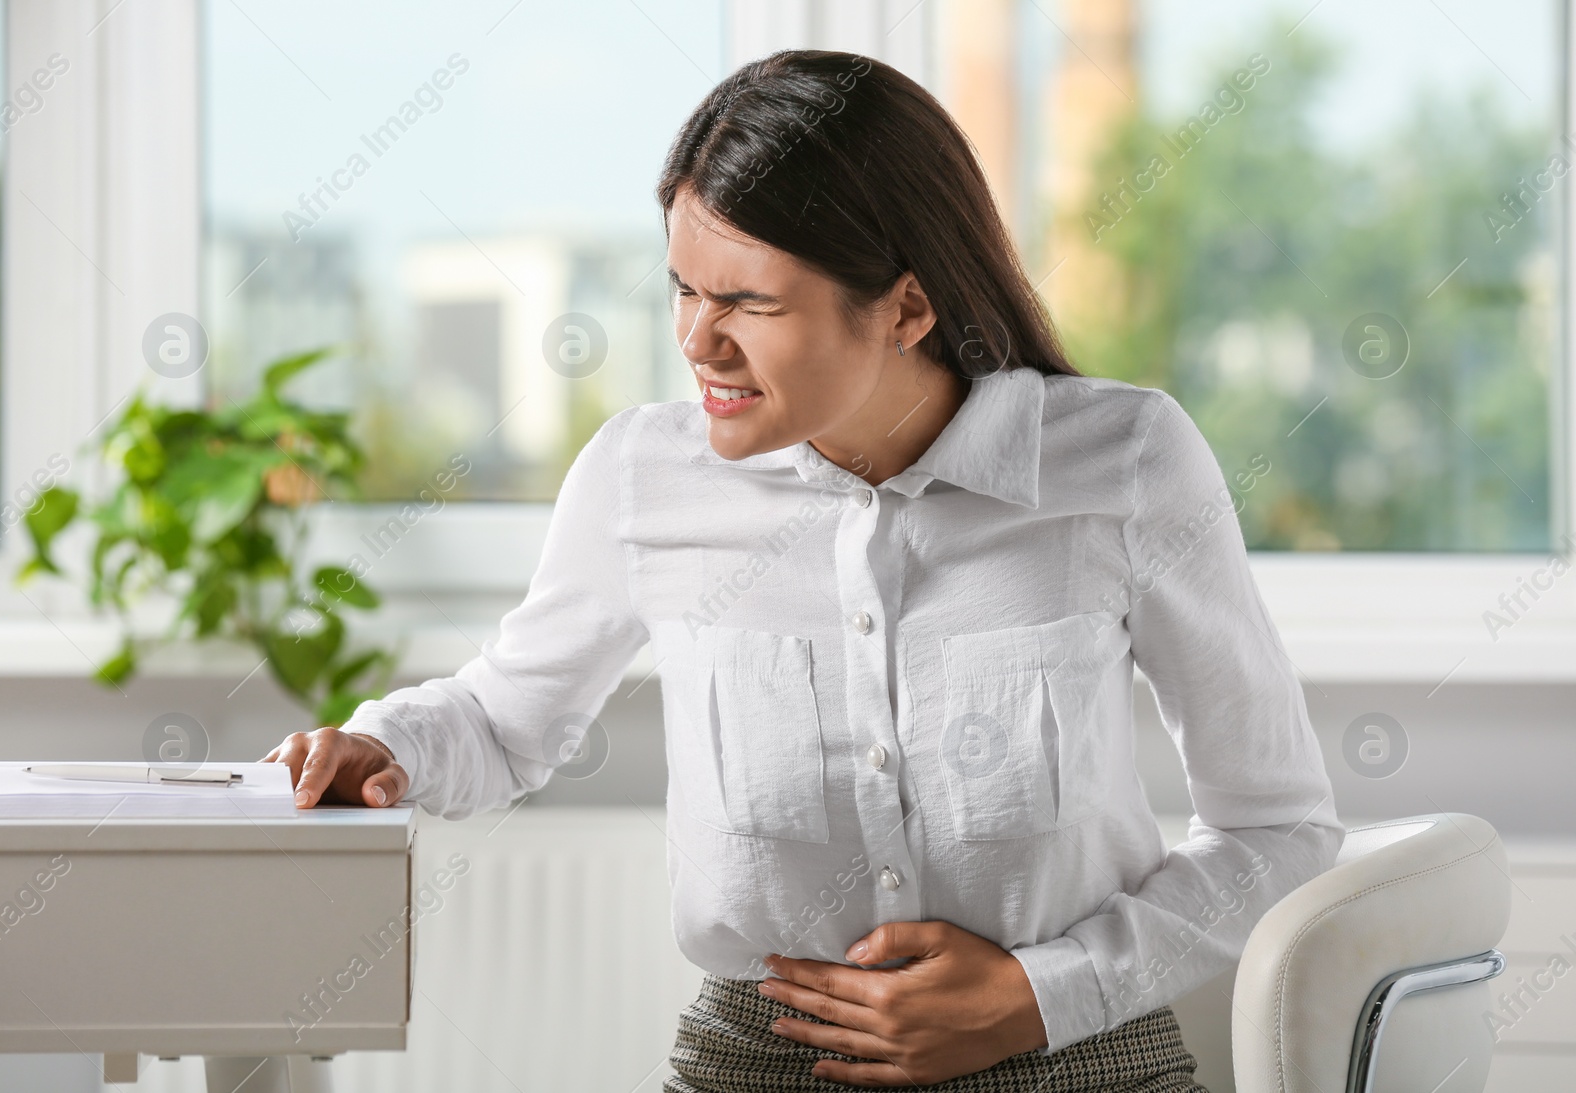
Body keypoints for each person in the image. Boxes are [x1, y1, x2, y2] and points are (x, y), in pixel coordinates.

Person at [264, 49, 1342, 1092]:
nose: (697, 339)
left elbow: (1277, 827)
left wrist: (1038, 992)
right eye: (683, 288)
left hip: (1076, 1067)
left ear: (907, 308)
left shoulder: (1123, 462)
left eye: (749, 303)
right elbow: (504, 722)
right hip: (758, 1065)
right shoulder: (644, 477)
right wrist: (380, 744)